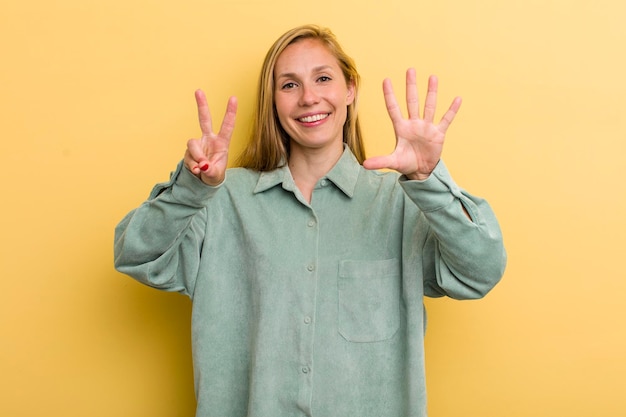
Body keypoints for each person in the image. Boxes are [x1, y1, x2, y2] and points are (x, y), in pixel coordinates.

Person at [114, 24, 506, 417]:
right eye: (289, 85)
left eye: (322, 78)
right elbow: (134, 254)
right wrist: (190, 190)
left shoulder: (401, 202)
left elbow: (481, 271)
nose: (308, 98)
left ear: (350, 89)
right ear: (273, 101)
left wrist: (429, 179)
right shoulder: (220, 200)